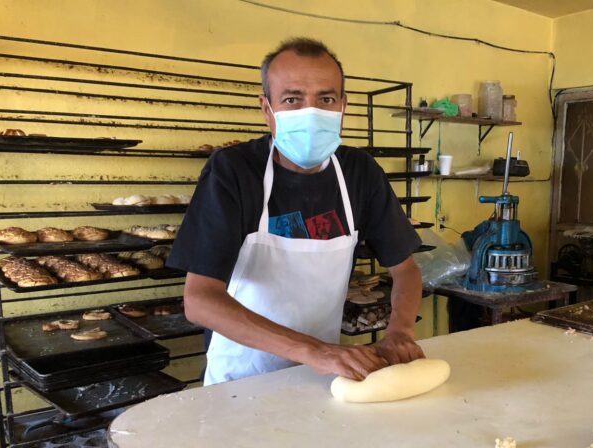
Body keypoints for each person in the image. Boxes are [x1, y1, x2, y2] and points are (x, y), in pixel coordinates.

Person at [167, 37, 425, 385]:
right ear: (266, 108)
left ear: (343, 107)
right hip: (240, 381)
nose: (311, 111)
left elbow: (405, 269)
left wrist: (401, 331)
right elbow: (199, 300)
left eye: (326, 99)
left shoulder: (359, 173)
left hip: (319, 379)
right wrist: (314, 351)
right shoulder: (233, 172)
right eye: (292, 99)